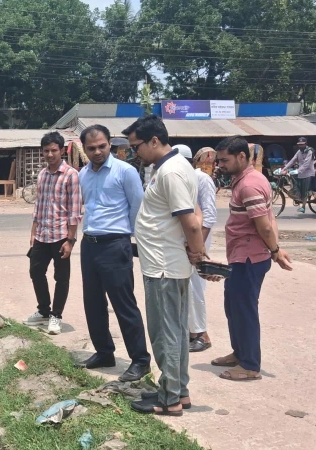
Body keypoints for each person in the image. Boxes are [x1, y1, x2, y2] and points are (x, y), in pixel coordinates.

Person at [124, 115, 206, 417]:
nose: (136, 153)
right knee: (176, 332)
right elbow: (191, 212)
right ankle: (178, 391)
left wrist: (199, 255)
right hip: (167, 264)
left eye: (137, 147)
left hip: (163, 268)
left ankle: (168, 399)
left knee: (165, 334)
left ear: (154, 141)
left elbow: (191, 222)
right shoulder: (175, 168)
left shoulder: (171, 172)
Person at [211, 136, 293, 381]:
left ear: (242, 157)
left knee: (244, 310)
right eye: (219, 160)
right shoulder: (248, 180)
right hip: (241, 256)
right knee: (233, 306)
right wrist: (274, 249)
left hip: (249, 258)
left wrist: (276, 251)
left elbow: (265, 226)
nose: (220, 165)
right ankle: (239, 352)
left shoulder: (249, 185)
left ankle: (249, 365)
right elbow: (270, 217)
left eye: (225, 160)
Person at [76, 125, 151, 382]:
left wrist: (128, 240)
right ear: (83, 148)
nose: (97, 152)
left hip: (115, 245)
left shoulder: (125, 172)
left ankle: (140, 360)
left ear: (110, 144)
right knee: (93, 302)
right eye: (91, 148)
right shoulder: (83, 174)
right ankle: (104, 352)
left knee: (123, 303)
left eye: (102, 146)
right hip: (90, 245)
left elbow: (137, 209)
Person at [24, 131, 82, 335]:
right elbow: (38, 206)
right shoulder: (42, 174)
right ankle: (43, 311)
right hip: (42, 234)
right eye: (46, 151)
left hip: (60, 236)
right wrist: (33, 232)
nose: (50, 154)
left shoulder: (71, 175)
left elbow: (75, 211)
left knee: (61, 277)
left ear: (61, 151)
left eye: (53, 150)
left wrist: (71, 240)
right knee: (36, 272)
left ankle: (56, 317)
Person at [172, 145, 218, 353]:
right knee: (186, 286)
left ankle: (201, 334)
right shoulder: (179, 179)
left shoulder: (201, 179)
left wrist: (197, 247)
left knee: (195, 285)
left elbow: (208, 215)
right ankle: (190, 330)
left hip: (198, 239)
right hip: (183, 241)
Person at [281, 137, 315, 213]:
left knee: (304, 190)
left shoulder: (309, 152)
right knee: (296, 186)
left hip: (308, 173)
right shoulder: (299, 151)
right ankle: (298, 198)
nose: (300, 146)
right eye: (299, 145)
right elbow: (293, 160)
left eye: (302, 144)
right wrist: (284, 169)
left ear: (306, 144)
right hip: (300, 173)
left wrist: (298, 171)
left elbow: (306, 164)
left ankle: (303, 207)